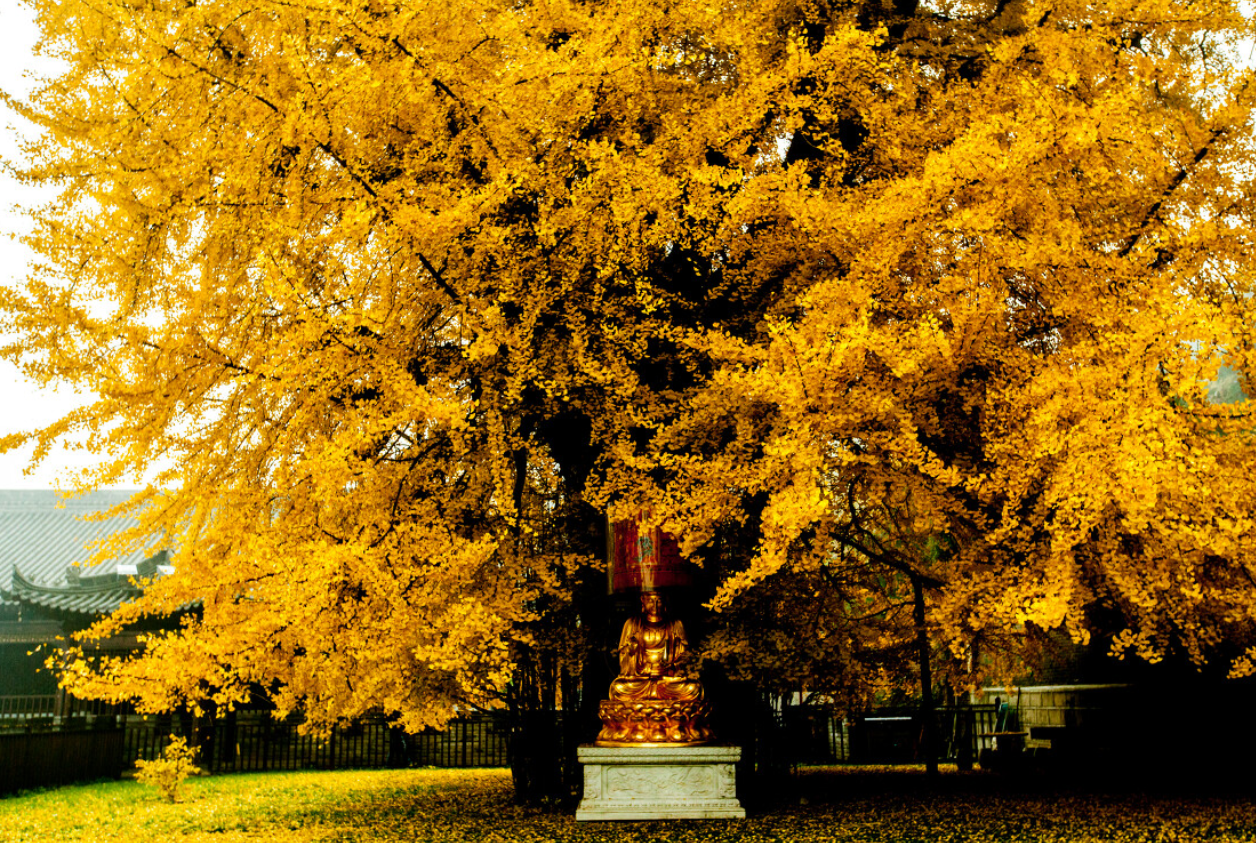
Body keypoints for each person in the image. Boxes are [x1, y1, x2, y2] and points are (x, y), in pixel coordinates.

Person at [608, 591, 703, 702]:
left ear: (665, 602)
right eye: (650, 601)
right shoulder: (632, 624)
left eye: (659, 601)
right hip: (641, 678)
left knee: (693, 688)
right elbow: (624, 658)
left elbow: (684, 657)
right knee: (618, 688)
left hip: (667, 679)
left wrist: (671, 668)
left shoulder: (675, 625)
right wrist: (632, 653)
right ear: (642, 601)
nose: (655, 605)